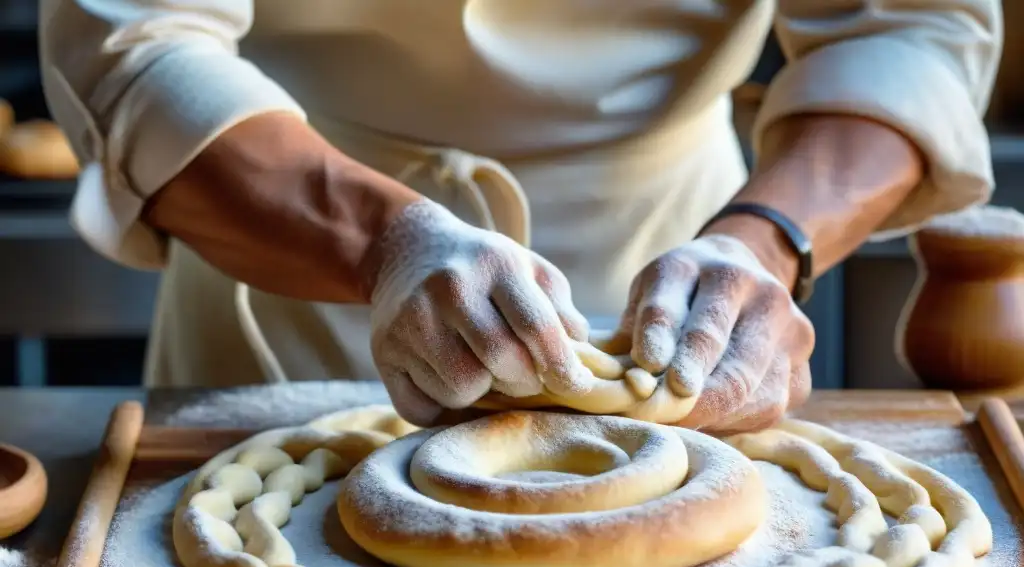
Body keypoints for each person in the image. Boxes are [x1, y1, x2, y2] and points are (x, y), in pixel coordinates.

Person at [39, 1, 1000, 430]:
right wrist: (388, 245)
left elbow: (905, 24)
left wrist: (766, 238)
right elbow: (132, 45)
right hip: (288, 240)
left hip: (678, 245)